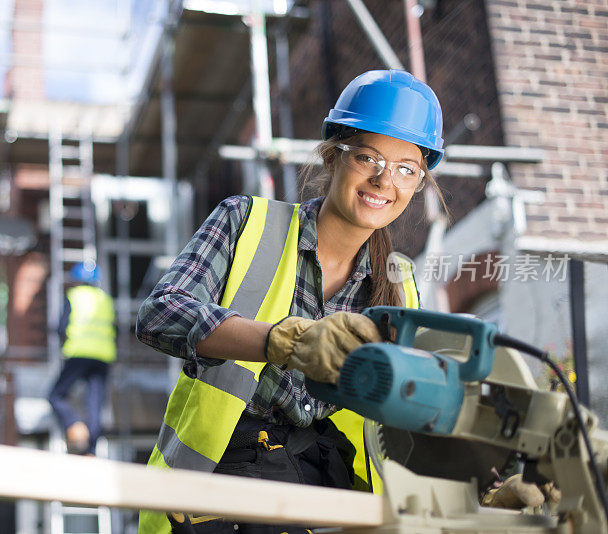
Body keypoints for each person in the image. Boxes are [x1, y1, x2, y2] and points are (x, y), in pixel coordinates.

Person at [135, 69, 447, 533]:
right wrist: (282, 342)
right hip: (221, 486)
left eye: (407, 168)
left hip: (330, 487)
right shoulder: (247, 222)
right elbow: (160, 314)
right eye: (369, 157)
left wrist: (483, 494)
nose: (385, 181)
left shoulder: (399, 284)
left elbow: (408, 419)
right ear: (332, 155)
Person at [47, 261, 116, 455]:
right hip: (103, 356)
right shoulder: (105, 299)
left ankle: (75, 426)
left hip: (79, 353)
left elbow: (61, 327)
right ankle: (90, 450)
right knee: (94, 403)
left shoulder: (74, 296)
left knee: (56, 396)